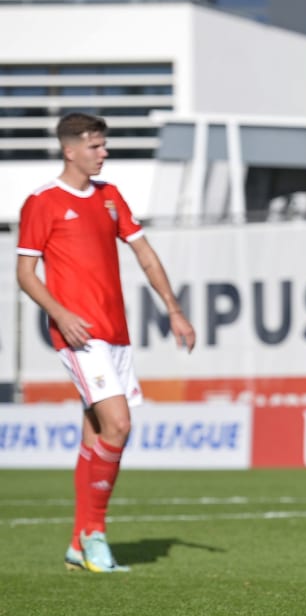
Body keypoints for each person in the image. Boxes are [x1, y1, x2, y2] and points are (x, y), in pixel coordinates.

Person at [17, 112, 196, 573]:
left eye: (104, 144)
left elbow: (144, 253)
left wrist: (174, 309)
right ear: (70, 149)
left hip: (116, 334)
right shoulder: (42, 202)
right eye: (95, 146)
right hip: (79, 336)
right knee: (119, 425)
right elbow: (24, 274)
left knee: (96, 432)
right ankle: (95, 533)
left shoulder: (110, 196)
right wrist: (60, 313)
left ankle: (79, 543)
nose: (104, 153)